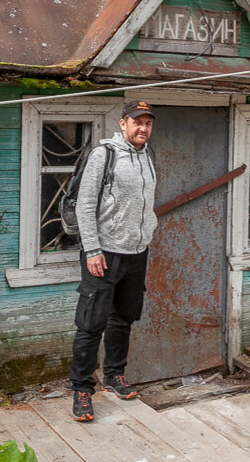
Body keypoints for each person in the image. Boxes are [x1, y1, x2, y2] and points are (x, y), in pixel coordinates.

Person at [69, 99, 157, 422]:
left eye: (147, 123)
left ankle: (114, 375)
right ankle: (81, 388)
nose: (142, 128)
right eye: (137, 122)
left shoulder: (149, 155)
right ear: (123, 124)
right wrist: (92, 249)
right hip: (103, 254)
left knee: (123, 318)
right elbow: (84, 205)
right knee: (91, 323)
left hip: (136, 253)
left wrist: (146, 233)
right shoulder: (103, 155)